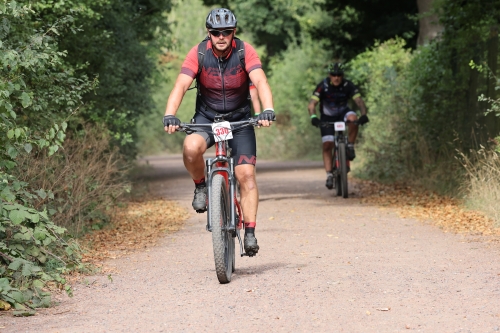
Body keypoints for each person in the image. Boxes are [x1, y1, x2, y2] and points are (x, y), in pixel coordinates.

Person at [163, 8, 275, 256]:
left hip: (240, 119)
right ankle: (201, 186)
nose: (221, 36)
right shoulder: (199, 53)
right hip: (207, 118)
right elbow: (181, 85)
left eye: (226, 32)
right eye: (216, 32)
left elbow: (260, 80)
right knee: (191, 148)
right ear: (209, 33)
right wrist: (170, 114)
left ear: (234, 33)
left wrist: (267, 109)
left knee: (246, 175)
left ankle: (249, 233)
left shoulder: (245, 51)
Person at [307, 62, 369, 190]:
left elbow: (359, 101)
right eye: (334, 75)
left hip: (343, 114)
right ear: (329, 75)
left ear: (342, 75)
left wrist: (364, 114)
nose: (336, 77)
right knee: (327, 144)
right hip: (327, 117)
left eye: (339, 75)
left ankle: (350, 146)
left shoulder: (348, 85)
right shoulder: (323, 86)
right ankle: (329, 174)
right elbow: (312, 104)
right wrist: (314, 118)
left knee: (353, 119)